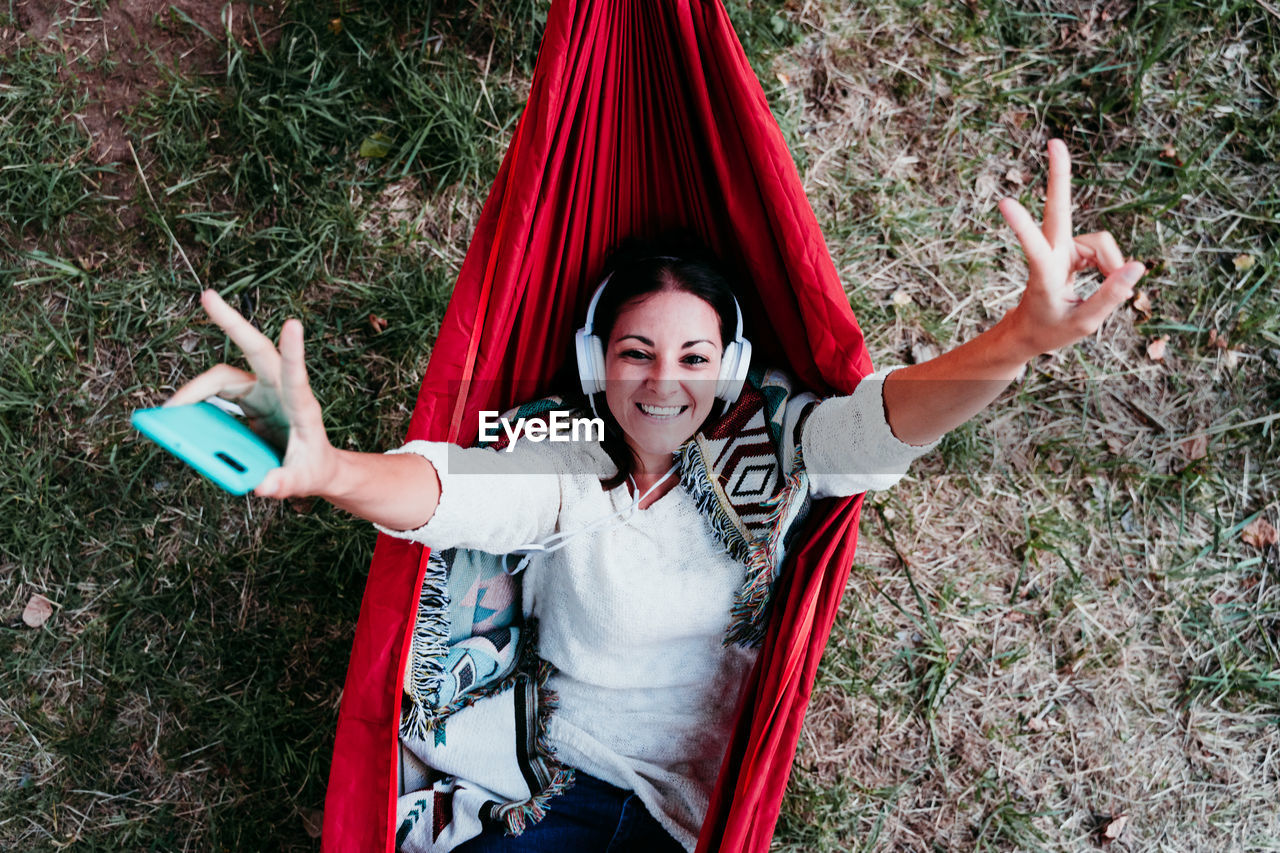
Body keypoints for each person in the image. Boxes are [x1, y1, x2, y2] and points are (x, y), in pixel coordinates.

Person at [165, 140, 1145, 851]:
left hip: (670, 821)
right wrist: (331, 469)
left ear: (730, 367)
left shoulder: (775, 448)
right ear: (598, 363)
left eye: (691, 354)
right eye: (635, 351)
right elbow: (456, 491)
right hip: (540, 796)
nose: (662, 380)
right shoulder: (570, 459)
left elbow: (887, 418)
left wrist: (1016, 340)